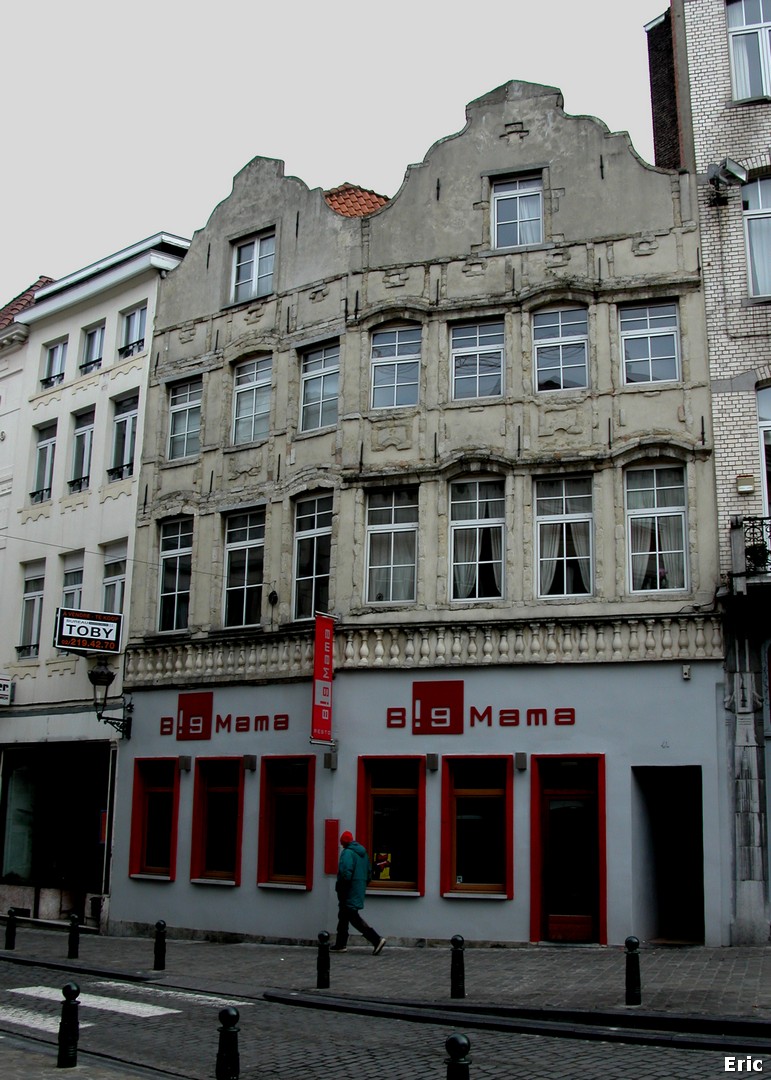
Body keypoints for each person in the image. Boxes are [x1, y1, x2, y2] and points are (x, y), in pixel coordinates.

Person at [330, 831, 386, 955]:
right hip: (358, 888)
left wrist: (342, 887)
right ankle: (340, 944)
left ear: (343, 842)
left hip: (348, 890)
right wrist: (361, 885)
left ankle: (376, 939)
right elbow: (369, 872)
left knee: (352, 916)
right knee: (344, 916)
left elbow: (346, 873)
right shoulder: (363, 853)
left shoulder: (347, 853)